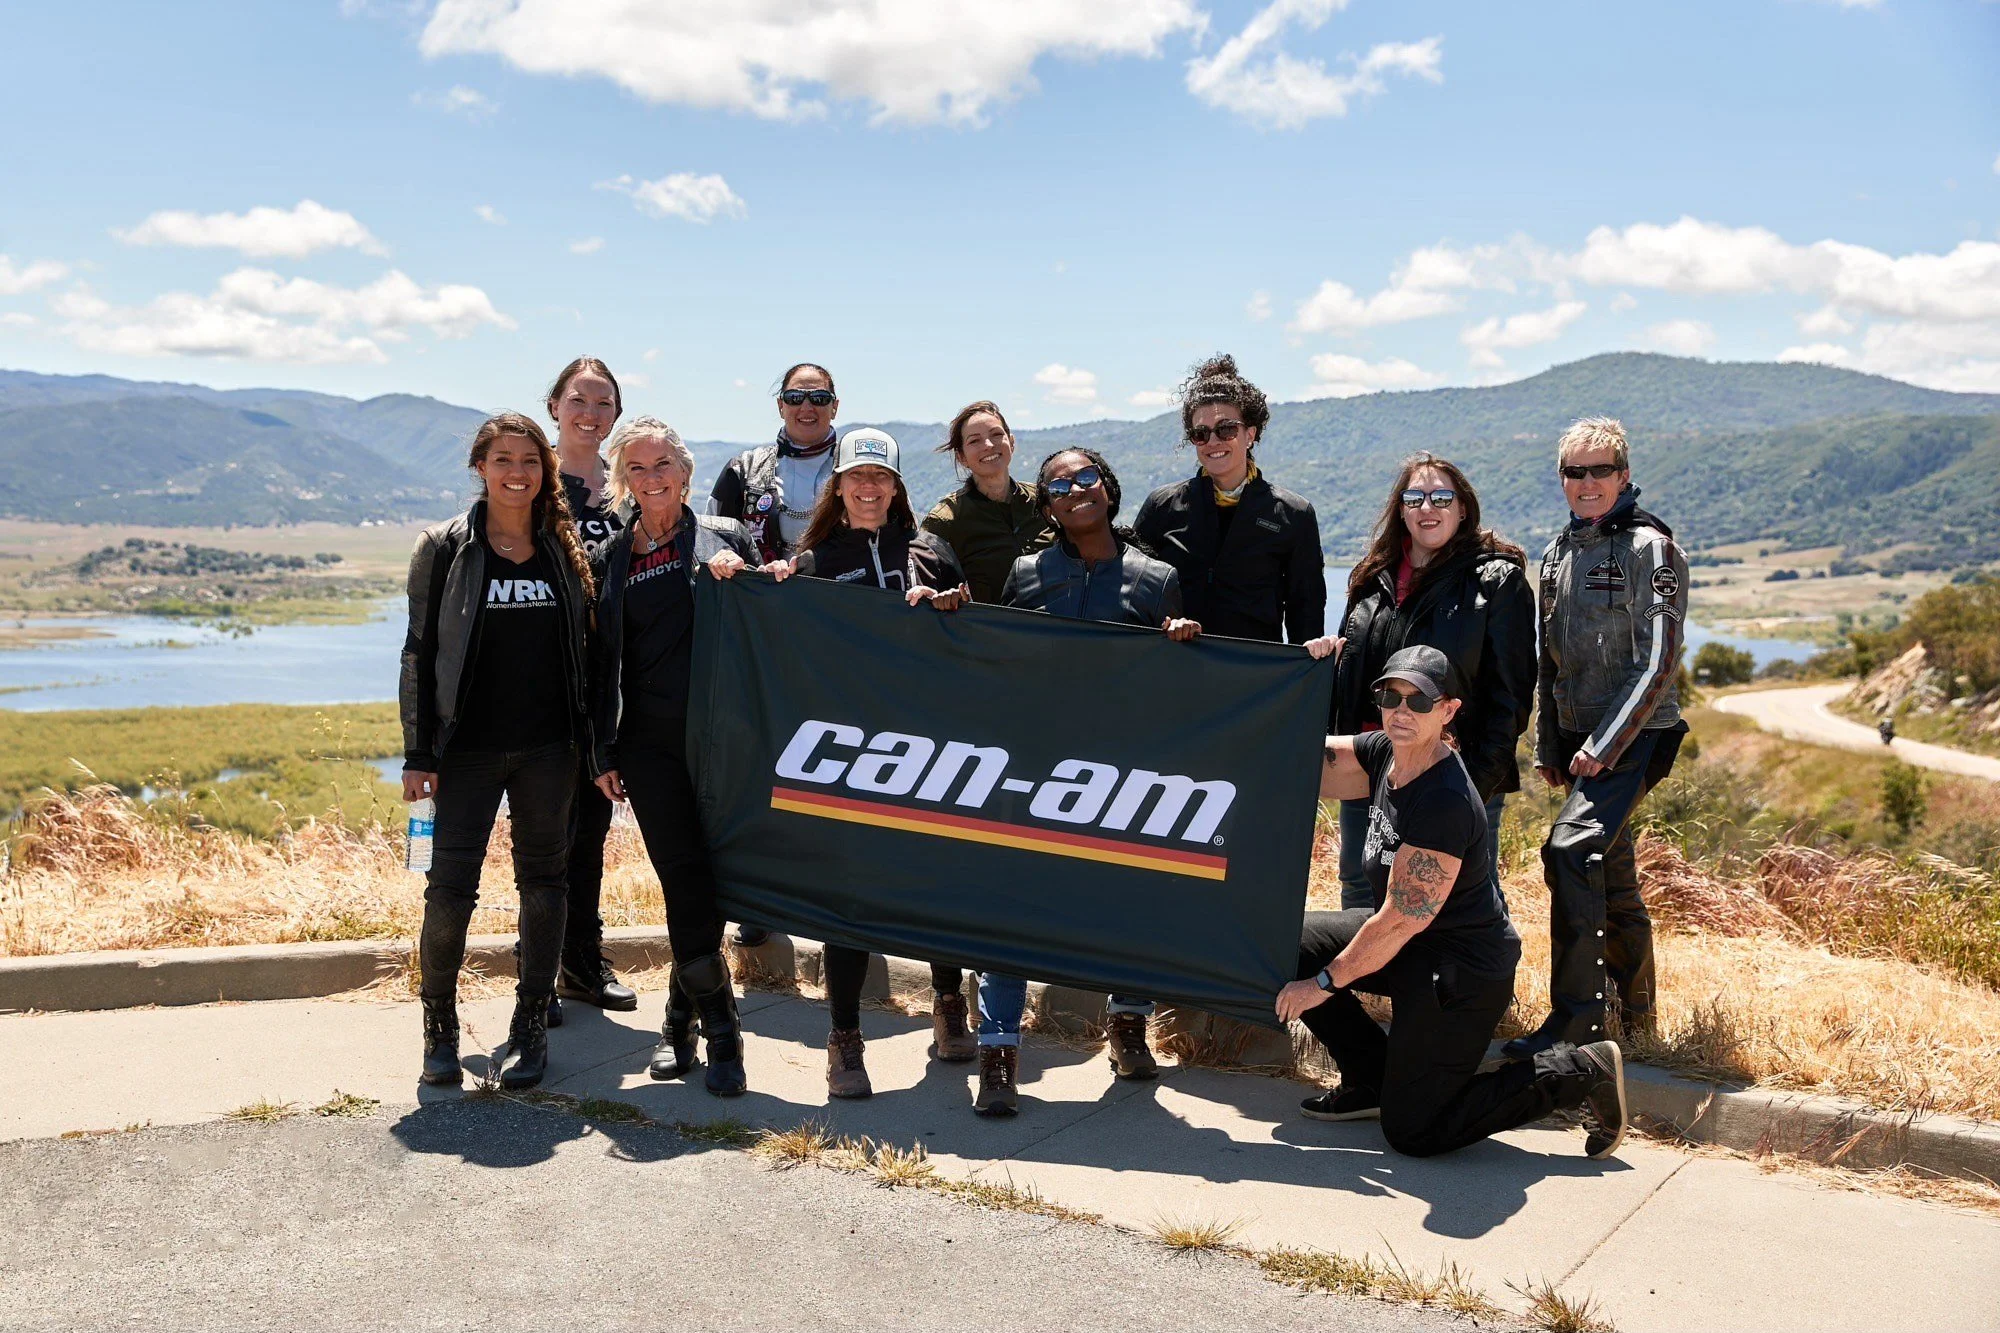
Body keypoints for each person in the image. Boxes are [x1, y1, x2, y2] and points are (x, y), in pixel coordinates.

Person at [1277, 644, 1630, 1159]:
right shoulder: (1385, 753)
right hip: (1412, 945)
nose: (1401, 710)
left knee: (1415, 1132)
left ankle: (1578, 1071)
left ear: (1447, 711)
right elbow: (1307, 757)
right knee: (1290, 943)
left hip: (1459, 972)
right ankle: (1373, 1081)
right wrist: (1292, 679)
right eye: (1390, 695)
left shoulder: (1442, 800)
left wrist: (1323, 985)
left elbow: (1398, 922)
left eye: (1419, 701)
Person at [981, 448, 1201, 1115]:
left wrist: (1183, 644)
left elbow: (1175, 686)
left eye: (1085, 479)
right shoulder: (1024, 574)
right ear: (1047, 503)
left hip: (1122, 772)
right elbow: (998, 659)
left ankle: (1128, 1023)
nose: (1074, 491)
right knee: (1009, 908)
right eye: (1058, 485)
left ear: (1108, 488)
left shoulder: (1156, 578)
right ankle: (997, 1050)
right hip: (1034, 767)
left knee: (1127, 898)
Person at [766, 427, 974, 1098]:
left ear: (896, 487)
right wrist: (750, 581)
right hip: (853, 758)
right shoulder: (816, 561)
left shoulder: (933, 551)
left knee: (939, 882)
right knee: (848, 899)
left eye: (880, 478)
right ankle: (845, 1038)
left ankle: (948, 1005)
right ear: (838, 486)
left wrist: (952, 607)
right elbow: (788, 647)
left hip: (932, 748)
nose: (868, 487)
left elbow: (974, 642)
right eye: (856, 476)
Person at [400, 412, 595, 1091]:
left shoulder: (563, 549)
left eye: (531, 460)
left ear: (546, 471)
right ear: (480, 466)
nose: (518, 471)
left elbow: (589, 658)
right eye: (504, 458)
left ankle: (531, 1025)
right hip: (467, 751)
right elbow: (420, 653)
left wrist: (594, 746)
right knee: (450, 889)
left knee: (545, 885)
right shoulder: (446, 547)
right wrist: (417, 753)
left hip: (549, 749)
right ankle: (439, 1027)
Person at [1503, 417, 1689, 1060]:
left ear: (1625, 475)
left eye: (1600, 470)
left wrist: (1603, 747)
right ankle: (1637, 1023)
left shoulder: (1651, 549)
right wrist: (1551, 745)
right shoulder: (1559, 553)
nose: (1587, 482)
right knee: (1609, 869)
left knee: (1569, 851)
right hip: (1581, 738)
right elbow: (1548, 659)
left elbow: (1660, 661)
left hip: (1639, 733)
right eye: (1574, 472)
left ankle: (1575, 1024)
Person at [587, 417, 759, 1095]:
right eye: (637, 467)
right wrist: (603, 747)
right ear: (621, 479)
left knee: (711, 877)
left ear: (686, 474)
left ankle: (676, 1020)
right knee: (683, 874)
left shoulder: (724, 536)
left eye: (664, 466)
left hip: (721, 738)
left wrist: (738, 577)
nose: (652, 478)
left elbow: (768, 613)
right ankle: (722, 1031)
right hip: (648, 742)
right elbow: (602, 663)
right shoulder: (613, 556)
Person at [1332, 454, 1536, 908]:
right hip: (1370, 765)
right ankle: (1362, 981)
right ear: (1401, 509)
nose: (1429, 507)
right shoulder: (1370, 581)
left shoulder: (1496, 582)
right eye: (1415, 497)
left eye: (1442, 497)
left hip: (1450, 772)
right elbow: (1350, 676)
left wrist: (1476, 786)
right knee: (1361, 888)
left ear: (1463, 508)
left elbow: (1512, 697)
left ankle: (1476, 982)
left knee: (1456, 899)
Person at [708, 361, 841, 948]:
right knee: (762, 759)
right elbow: (709, 531)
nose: (806, 406)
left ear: (834, 404)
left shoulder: (859, 464)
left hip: (836, 636)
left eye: (818, 396)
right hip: (761, 634)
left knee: (831, 758)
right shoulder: (745, 468)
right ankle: (759, 897)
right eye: (795, 396)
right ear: (780, 404)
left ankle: (829, 888)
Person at [543, 357, 635, 1025]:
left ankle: (581, 961)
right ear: (555, 404)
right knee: (544, 832)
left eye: (604, 402)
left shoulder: (626, 485)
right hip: (545, 676)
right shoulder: (528, 478)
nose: (591, 411)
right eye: (580, 397)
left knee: (592, 828)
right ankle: (536, 970)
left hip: (609, 681)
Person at [1134, 353, 1324, 644]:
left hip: (1254, 675)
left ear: (1250, 434)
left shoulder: (1293, 514)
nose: (1213, 441)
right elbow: (1135, 595)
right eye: (1201, 433)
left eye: (1226, 429)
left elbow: (1306, 613)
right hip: (1174, 669)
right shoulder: (1162, 507)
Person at [920, 400, 1055, 604]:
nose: (989, 446)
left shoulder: (1046, 501)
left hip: (1053, 628)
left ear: (1011, 442)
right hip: (989, 632)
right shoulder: (946, 519)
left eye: (996, 435)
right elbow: (924, 581)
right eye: (975, 441)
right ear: (961, 457)